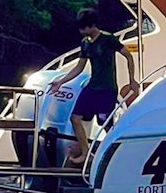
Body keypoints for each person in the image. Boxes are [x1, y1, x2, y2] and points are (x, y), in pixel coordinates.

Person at [47, 9, 138, 166]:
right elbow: (79, 67)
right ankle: (85, 152)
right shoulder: (85, 43)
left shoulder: (108, 39)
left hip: (107, 88)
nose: (82, 31)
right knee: (75, 118)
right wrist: (60, 82)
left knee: (105, 122)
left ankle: (118, 153)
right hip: (92, 87)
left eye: (84, 28)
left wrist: (132, 80)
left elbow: (128, 56)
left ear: (93, 25)